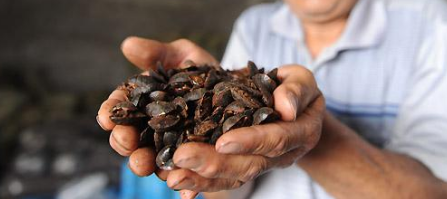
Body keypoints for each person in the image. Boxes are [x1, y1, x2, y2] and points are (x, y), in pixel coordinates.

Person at [97, 0, 447, 198]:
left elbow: (433, 192)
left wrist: (310, 133)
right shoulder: (255, 24)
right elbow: (233, 185)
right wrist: (207, 166)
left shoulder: (431, 23)